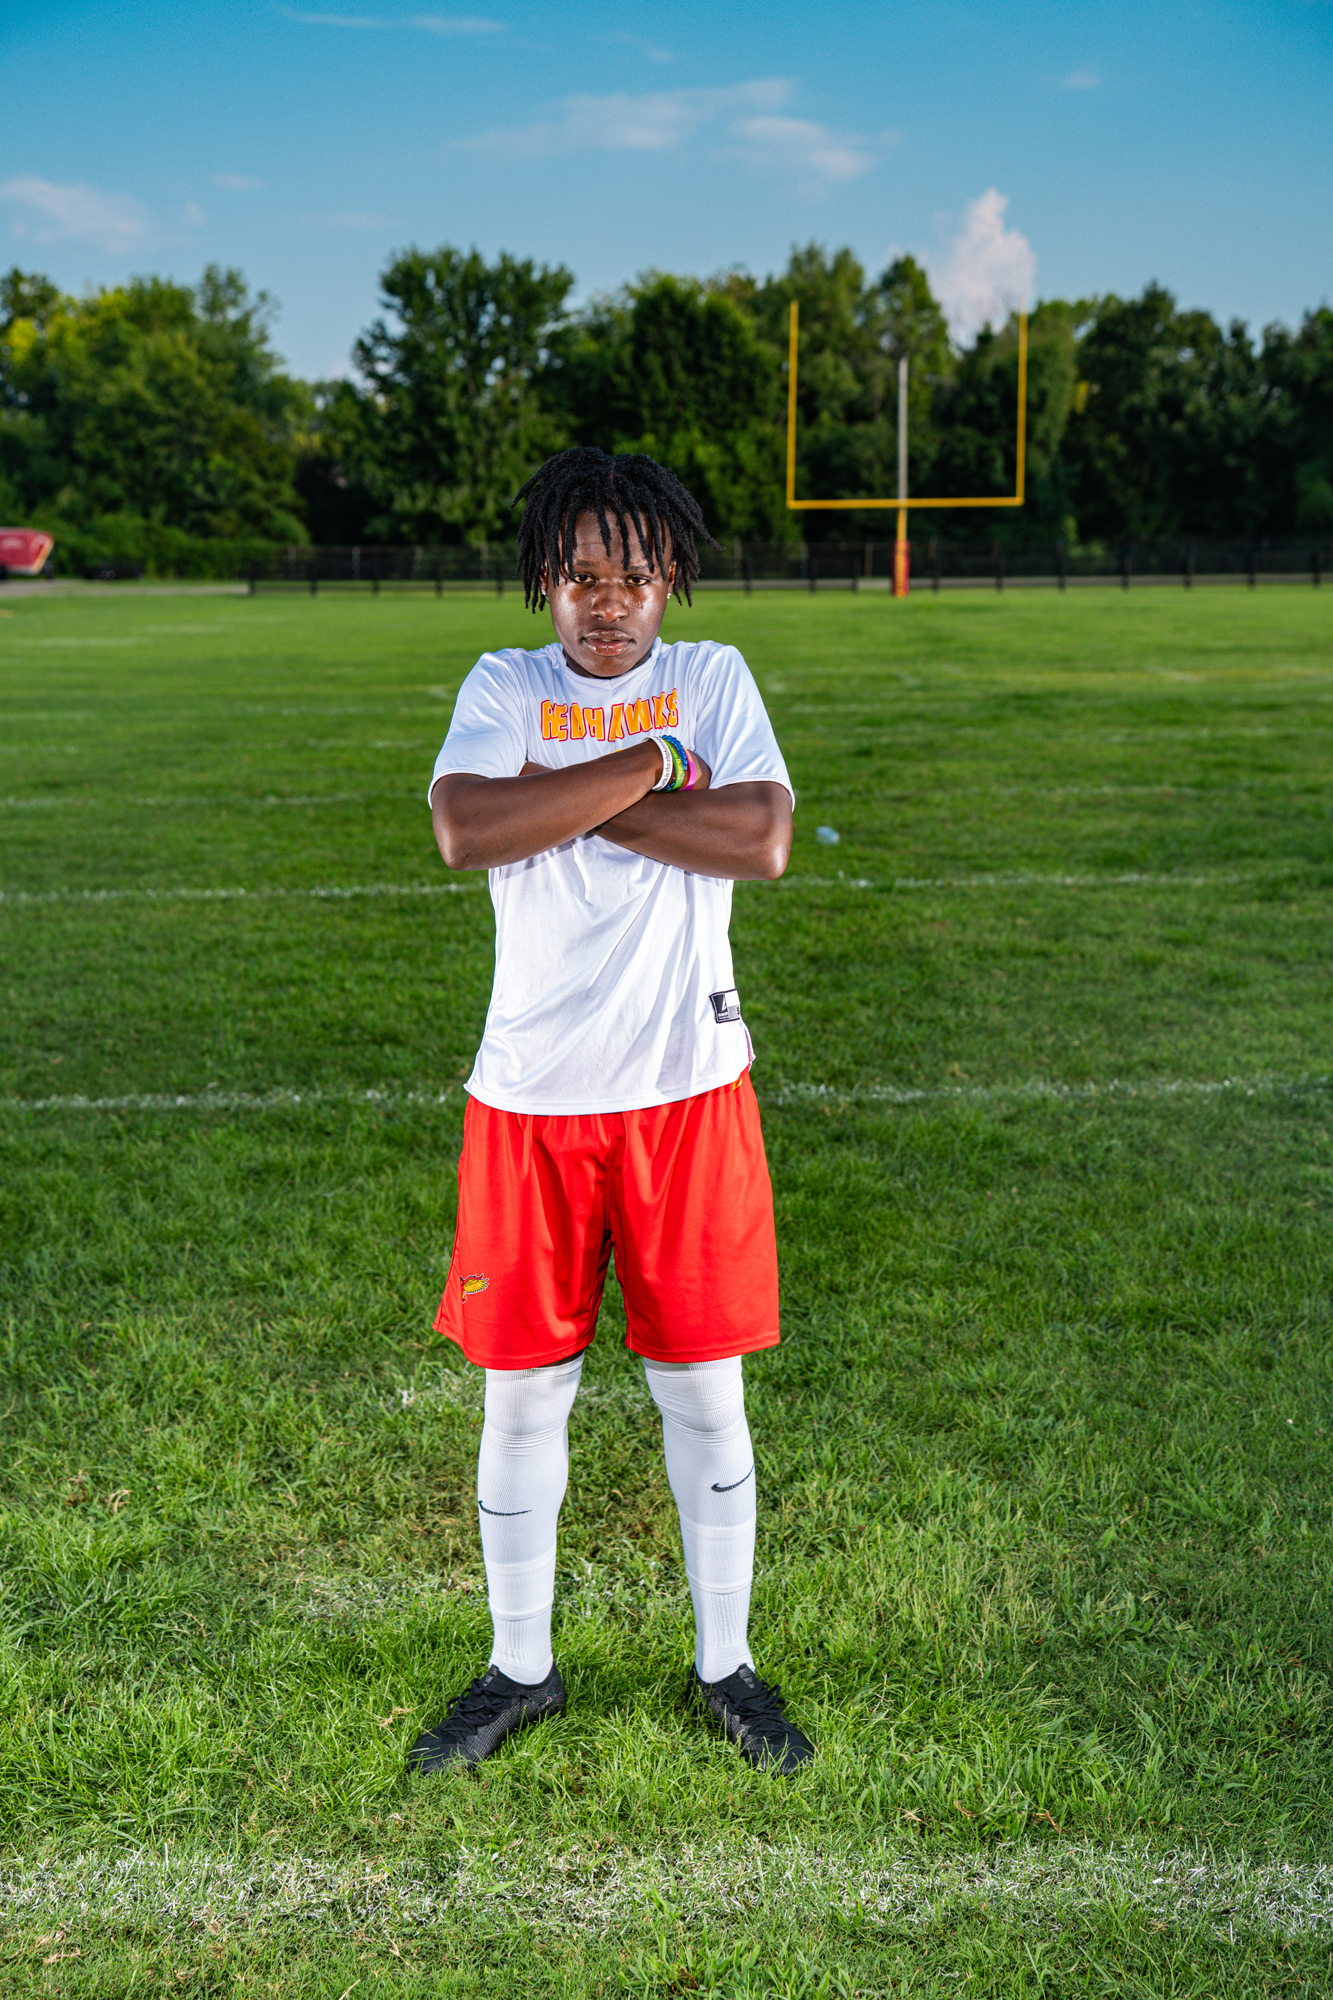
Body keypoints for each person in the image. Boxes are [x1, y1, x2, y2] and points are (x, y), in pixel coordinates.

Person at [407, 447, 813, 1779]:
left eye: (633, 576)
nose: (607, 602)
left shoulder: (714, 676)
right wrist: (651, 769)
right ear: (546, 580)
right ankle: (519, 1670)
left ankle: (725, 1666)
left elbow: (759, 838)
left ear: (669, 577)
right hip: (530, 1097)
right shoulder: (503, 685)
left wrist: (568, 800)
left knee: (702, 1391)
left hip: (686, 1091)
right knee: (524, 1401)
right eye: (581, 576)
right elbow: (467, 830)